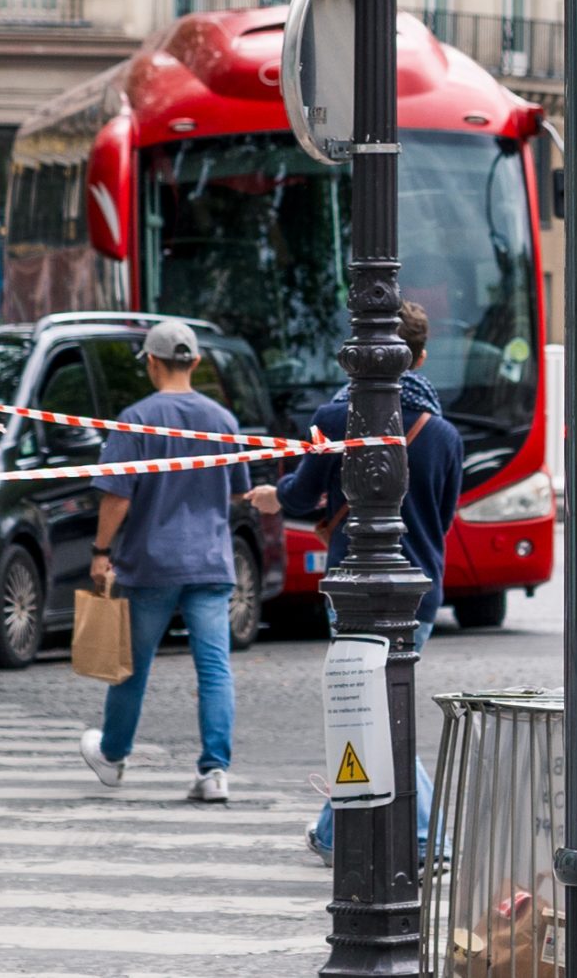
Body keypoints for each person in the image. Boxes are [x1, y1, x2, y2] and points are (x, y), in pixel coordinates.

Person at [249, 301, 463, 865]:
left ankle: (428, 835)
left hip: (353, 585)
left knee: (374, 708)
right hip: (421, 587)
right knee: (373, 703)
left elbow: (300, 495)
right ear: (420, 356)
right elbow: (442, 518)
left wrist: (275, 497)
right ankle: (331, 831)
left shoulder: (337, 416)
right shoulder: (442, 433)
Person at [78, 320, 250, 803]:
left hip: (151, 562)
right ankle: (214, 771)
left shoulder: (136, 419)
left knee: (132, 666)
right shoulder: (224, 421)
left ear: (152, 363)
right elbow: (237, 491)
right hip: (211, 563)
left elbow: (116, 497)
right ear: (194, 362)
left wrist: (100, 552)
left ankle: (112, 757)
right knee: (214, 668)